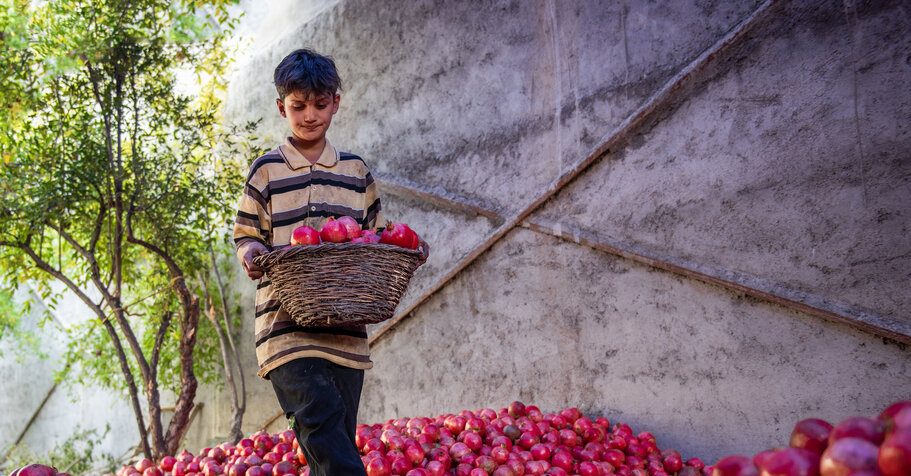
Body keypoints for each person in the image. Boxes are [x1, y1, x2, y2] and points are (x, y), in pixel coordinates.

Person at [232, 48, 427, 476]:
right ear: (281, 106)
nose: (309, 116)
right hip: (285, 330)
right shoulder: (266, 171)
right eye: (298, 106)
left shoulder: (356, 172)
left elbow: (377, 238)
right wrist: (252, 254)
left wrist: (406, 246)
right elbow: (246, 234)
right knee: (320, 424)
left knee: (334, 439)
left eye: (320, 105)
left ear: (335, 102)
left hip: (346, 334)